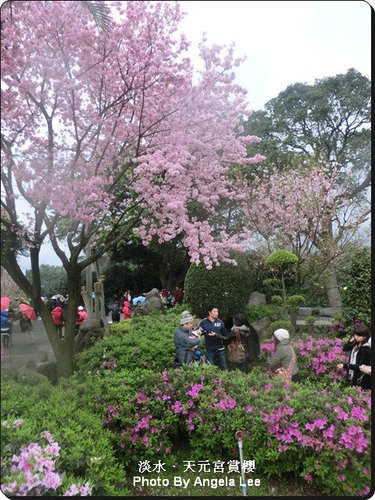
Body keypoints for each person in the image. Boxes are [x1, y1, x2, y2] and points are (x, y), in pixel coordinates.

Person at [337, 323, 371, 390]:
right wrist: (351, 340)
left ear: (364, 337)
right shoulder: (356, 344)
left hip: (360, 377)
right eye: (355, 334)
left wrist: (345, 366)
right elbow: (345, 348)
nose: (356, 336)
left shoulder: (366, 349)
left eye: (359, 335)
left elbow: (360, 366)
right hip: (352, 374)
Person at [198, 305, 229, 371]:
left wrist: (216, 335)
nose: (217, 313)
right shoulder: (203, 322)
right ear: (209, 312)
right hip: (209, 350)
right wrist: (201, 332)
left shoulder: (220, 322)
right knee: (210, 369)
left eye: (217, 312)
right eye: (214, 312)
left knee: (224, 368)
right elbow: (198, 332)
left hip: (220, 349)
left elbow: (226, 335)